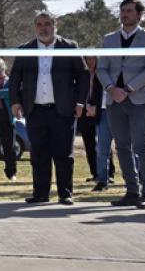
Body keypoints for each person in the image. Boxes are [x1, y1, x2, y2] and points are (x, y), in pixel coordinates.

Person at [9, 11, 88, 205]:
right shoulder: (25, 49)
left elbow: (84, 76)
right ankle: (40, 194)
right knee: (38, 154)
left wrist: (80, 103)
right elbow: (14, 80)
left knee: (64, 154)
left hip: (63, 110)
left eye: (47, 24)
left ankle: (65, 193)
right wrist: (15, 102)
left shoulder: (69, 47)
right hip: (35, 110)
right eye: (39, 24)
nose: (43, 28)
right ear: (35, 27)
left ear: (55, 25)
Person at [96, 0, 145, 209]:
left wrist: (128, 89)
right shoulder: (109, 39)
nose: (125, 14)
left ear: (140, 14)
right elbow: (101, 68)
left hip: (140, 100)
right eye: (123, 10)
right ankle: (132, 191)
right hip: (114, 100)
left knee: (142, 145)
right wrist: (111, 89)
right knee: (121, 146)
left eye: (129, 11)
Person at [86, 56, 116, 192]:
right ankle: (102, 180)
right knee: (102, 149)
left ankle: (135, 180)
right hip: (103, 113)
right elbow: (93, 94)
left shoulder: (118, 70)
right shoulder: (97, 74)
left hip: (119, 111)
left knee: (128, 148)